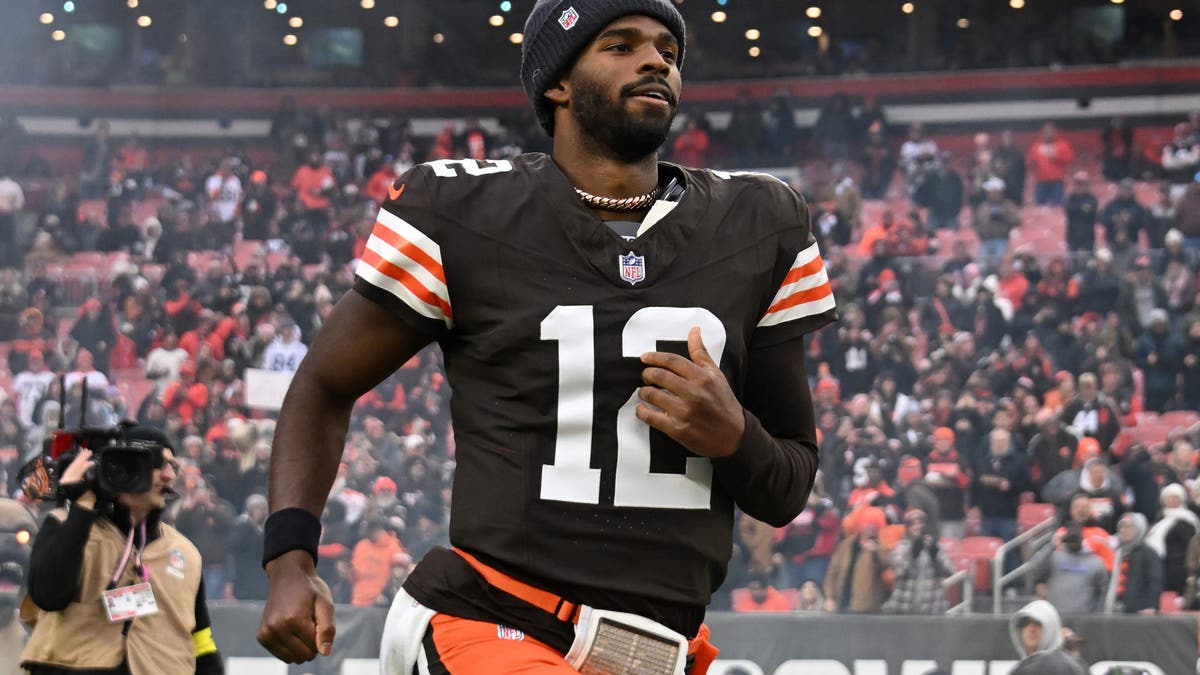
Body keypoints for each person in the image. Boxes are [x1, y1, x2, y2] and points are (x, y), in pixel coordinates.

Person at [257, 2, 835, 674]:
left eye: (668, 52)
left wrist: (735, 436)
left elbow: (786, 487)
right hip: (492, 618)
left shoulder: (761, 222)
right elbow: (324, 383)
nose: (656, 61)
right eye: (620, 45)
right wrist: (289, 558)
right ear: (557, 81)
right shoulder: (465, 211)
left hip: (660, 651)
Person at [19, 426, 224, 675]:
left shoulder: (185, 553)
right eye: (159, 464)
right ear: (123, 466)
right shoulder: (66, 524)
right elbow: (48, 595)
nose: (170, 476)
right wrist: (82, 507)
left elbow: (201, 642)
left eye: (173, 466)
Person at [1008, 600, 1087, 675]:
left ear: (1051, 628)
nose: (1031, 629)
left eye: (1038, 623)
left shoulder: (1057, 666)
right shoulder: (1024, 666)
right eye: (1025, 623)